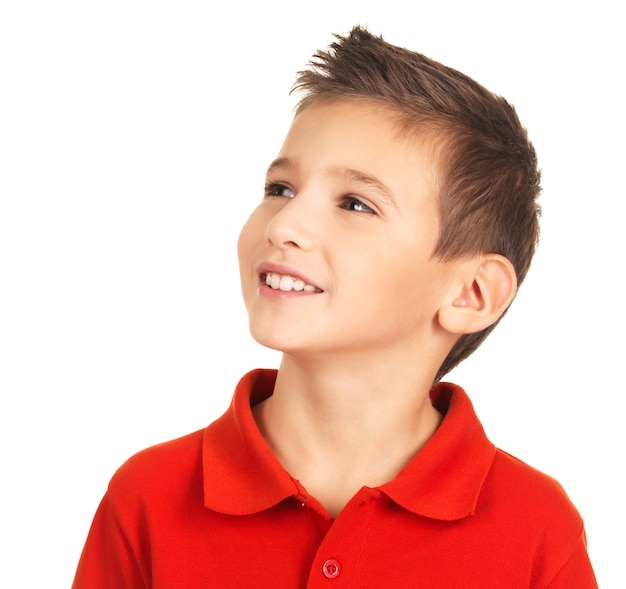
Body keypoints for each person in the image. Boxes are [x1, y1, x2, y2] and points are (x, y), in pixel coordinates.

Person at [72, 26, 597, 588]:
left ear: (471, 293)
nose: (285, 226)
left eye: (355, 203)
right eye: (281, 189)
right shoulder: (148, 498)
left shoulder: (535, 528)